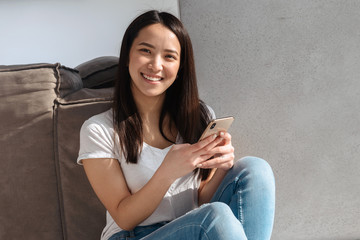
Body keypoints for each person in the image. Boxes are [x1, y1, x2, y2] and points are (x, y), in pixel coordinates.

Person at [77, 10, 275, 240]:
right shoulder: (98, 130)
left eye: (169, 56)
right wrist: (168, 172)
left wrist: (221, 167)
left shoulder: (199, 117)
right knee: (214, 216)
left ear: (181, 66)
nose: (155, 65)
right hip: (132, 235)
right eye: (145, 51)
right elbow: (124, 217)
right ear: (128, 55)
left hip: (194, 226)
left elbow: (200, 199)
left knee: (254, 169)